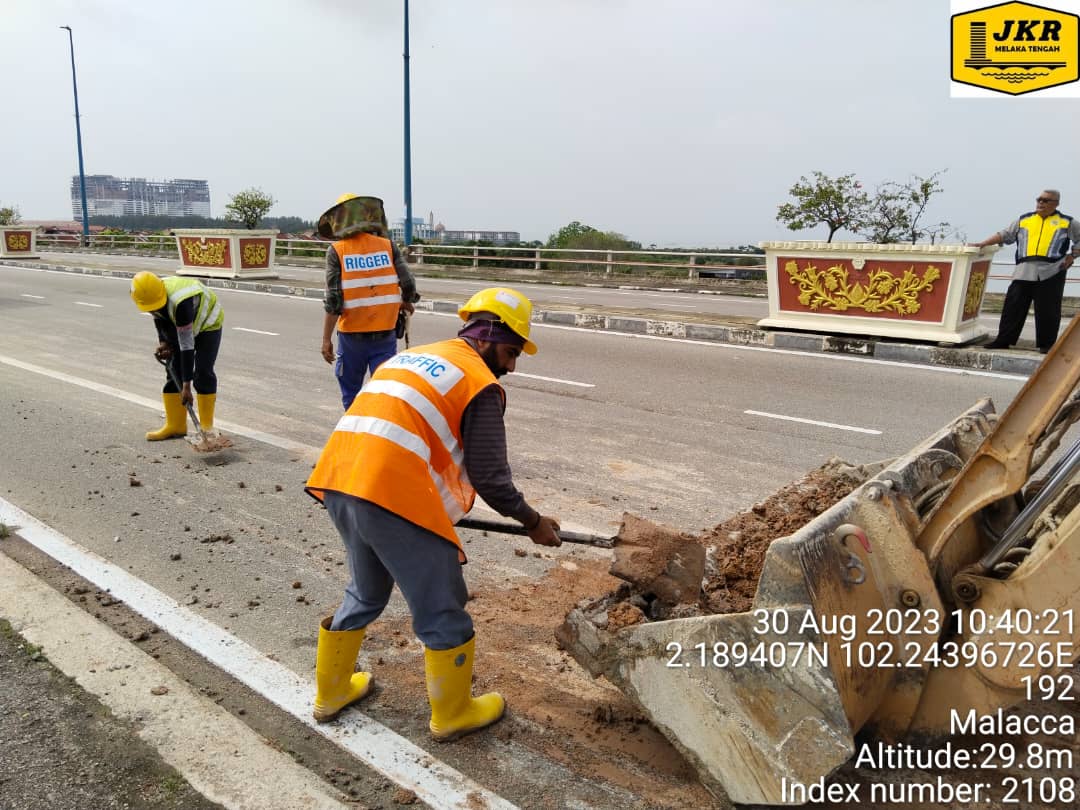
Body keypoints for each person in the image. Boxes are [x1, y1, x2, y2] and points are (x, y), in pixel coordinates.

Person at [304, 287, 561, 740]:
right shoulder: (477, 381)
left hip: (341, 478)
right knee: (443, 608)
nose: (512, 365)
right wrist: (533, 522)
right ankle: (453, 713)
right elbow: (492, 479)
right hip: (393, 497)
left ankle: (332, 693)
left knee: (365, 591)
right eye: (511, 351)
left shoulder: (415, 357)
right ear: (486, 336)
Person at [318, 194, 417, 409]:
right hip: (385, 334)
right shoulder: (388, 246)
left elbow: (334, 301)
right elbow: (408, 283)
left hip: (352, 337)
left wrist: (326, 339)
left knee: (351, 396)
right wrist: (407, 302)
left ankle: (355, 437)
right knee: (384, 393)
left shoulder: (337, 251)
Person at [973, 189, 1080, 353]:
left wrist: (1072, 256)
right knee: (1013, 307)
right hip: (1023, 270)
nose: (1041, 203)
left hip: (1051, 271)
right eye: (1039, 199)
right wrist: (982, 244)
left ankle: (1047, 345)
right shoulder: (1024, 220)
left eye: (1045, 200)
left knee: (1048, 310)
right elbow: (1005, 234)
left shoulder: (1067, 222)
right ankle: (1003, 340)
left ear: (1056, 203)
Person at [129, 271, 223, 440]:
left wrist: (186, 386)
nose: (153, 310)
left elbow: (186, 347)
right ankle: (176, 426)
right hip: (179, 322)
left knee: (203, 371)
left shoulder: (181, 303)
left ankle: (207, 428)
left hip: (208, 323)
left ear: (162, 295)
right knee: (173, 371)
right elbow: (158, 317)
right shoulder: (150, 294)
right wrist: (164, 342)